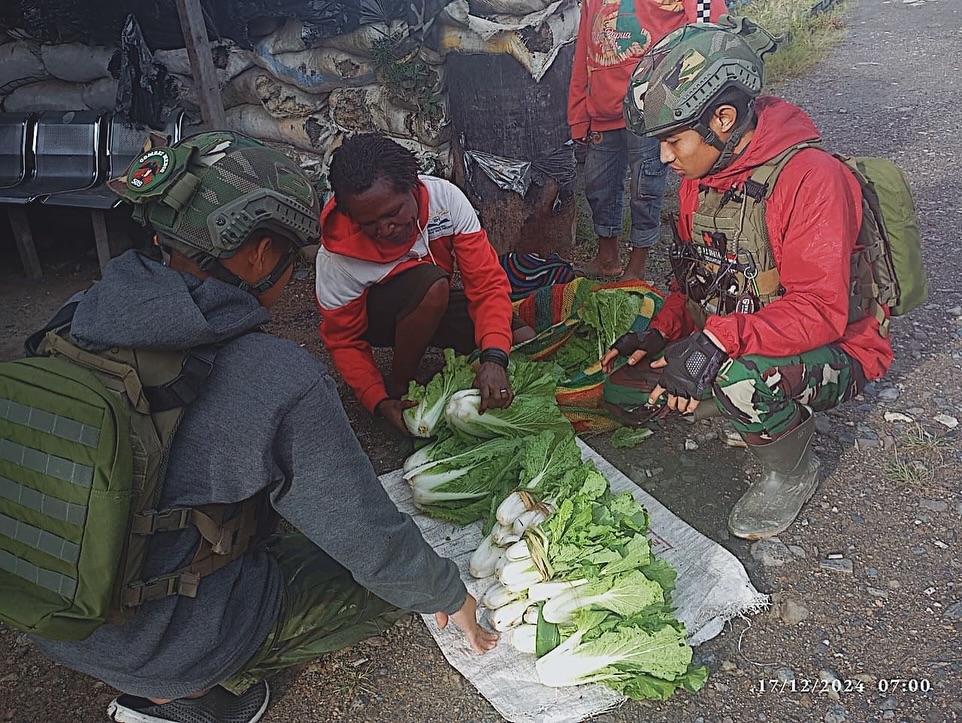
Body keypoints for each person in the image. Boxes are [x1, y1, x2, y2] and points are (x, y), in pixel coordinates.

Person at [27, 131, 496, 723]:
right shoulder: (273, 377)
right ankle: (182, 698)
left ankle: (165, 671)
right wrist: (447, 593)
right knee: (386, 582)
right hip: (157, 642)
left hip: (51, 606)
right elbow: (363, 533)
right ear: (256, 254)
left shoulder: (72, 320)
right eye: (290, 258)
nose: (295, 275)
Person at [602, 17, 893, 539]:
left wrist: (715, 344)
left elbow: (822, 312)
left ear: (724, 119)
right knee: (627, 386)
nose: (664, 157)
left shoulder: (811, 178)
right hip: (751, 326)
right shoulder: (702, 176)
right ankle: (748, 403)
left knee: (741, 379)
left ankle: (790, 471)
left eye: (673, 140)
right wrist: (661, 333)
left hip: (839, 344)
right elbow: (693, 279)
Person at [315, 133, 534, 433]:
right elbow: (343, 340)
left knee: (521, 337)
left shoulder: (447, 200)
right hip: (382, 318)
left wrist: (494, 358)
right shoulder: (335, 257)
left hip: (432, 302)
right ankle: (401, 383)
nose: (385, 228)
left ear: (412, 186)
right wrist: (377, 399)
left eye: (393, 212)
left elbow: (486, 285)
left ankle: (478, 364)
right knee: (432, 286)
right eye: (369, 223)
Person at [568, 0, 725, 280]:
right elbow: (583, 55)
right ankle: (607, 257)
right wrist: (578, 115)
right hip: (603, 112)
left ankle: (637, 264)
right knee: (597, 186)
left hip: (650, 110)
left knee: (645, 188)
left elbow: (709, 25)